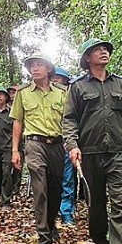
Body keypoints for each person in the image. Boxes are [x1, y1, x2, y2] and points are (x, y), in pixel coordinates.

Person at [62, 38, 122, 244]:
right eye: (97, 50)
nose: (103, 52)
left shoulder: (120, 85)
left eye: (106, 49)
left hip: (118, 152)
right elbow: (69, 120)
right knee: (96, 201)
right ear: (87, 58)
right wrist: (73, 145)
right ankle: (100, 241)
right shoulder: (78, 87)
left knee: (120, 201)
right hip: (90, 152)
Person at [10, 53, 67, 244]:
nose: (35, 68)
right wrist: (15, 150)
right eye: (32, 65)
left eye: (39, 65)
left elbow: (69, 121)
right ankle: (43, 236)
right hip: (34, 144)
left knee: (55, 190)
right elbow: (17, 121)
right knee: (40, 189)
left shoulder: (62, 93)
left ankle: (51, 224)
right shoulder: (23, 93)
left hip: (57, 146)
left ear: (48, 69)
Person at [52, 67, 76, 226]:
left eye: (58, 78)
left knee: (68, 180)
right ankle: (51, 211)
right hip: (50, 144)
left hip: (67, 143)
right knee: (52, 180)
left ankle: (66, 212)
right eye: (53, 78)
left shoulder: (72, 97)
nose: (55, 81)